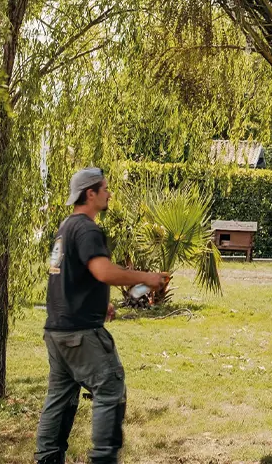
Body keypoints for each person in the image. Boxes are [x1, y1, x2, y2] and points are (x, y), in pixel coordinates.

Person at [35, 167, 168, 464]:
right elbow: (103, 271)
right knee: (110, 385)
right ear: (90, 194)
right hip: (80, 333)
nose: (109, 193)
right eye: (104, 189)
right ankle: (103, 459)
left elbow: (65, 277)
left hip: (57, 331)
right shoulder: (87, 229)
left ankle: (47, 458)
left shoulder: (65, 228)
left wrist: (99, 304)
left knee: (60, 398)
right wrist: (146, 276)